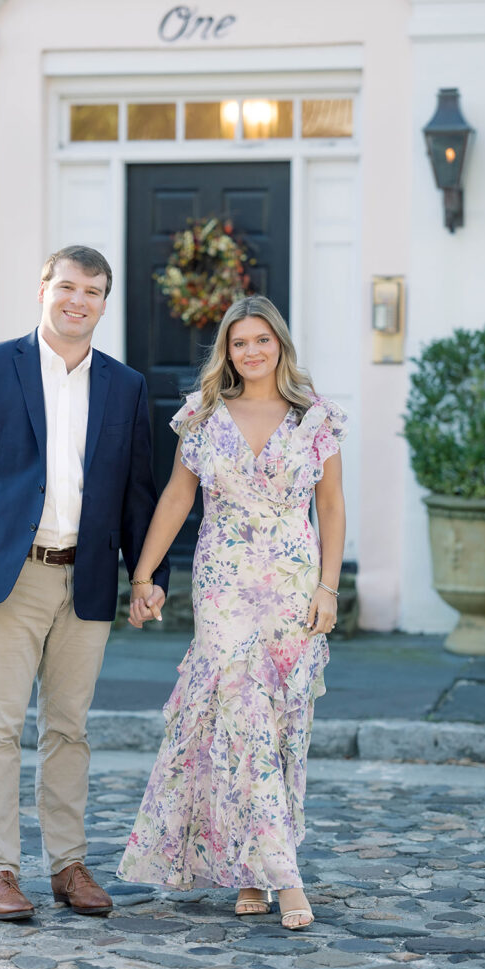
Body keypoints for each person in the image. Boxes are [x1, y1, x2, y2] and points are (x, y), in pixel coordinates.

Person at [0, 245, 168, 921]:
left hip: (86, 579)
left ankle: (67, 866)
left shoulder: (125, 385)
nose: (77, 301)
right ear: (43, 291)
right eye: (66, 286)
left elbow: (137, 494)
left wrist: (146, 575)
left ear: (103, 302)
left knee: (69, 730)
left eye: (92, 291)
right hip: (8, 576)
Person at [118, 295, 347, 928]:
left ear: (280, 346)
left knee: (281, 730)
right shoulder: (204, 416)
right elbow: (176, 498)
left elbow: (331, 506)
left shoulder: (316, 418)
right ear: (227, 350)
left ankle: (249, 873)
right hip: (224, 590)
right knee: (239, 720)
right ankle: (283, 878)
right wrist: (142, 574)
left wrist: (328, 587)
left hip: (293, 590)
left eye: (262, 341)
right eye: (239, 342)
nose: (251, 352)